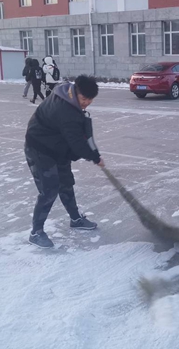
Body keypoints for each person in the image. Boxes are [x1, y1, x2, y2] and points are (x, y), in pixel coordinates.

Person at [25, 75, 103, 248]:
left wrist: (94, 153)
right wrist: (94, 157)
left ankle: (75, 219)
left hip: (57, 146)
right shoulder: (65, 110)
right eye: (84, 99)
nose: (86, 103)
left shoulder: (69, 96)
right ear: (76, 92)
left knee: (66, 183)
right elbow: (77, 143)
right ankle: (36, 232)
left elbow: (80, 136)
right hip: (39, 149)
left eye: (90, 100)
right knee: (49, 190)